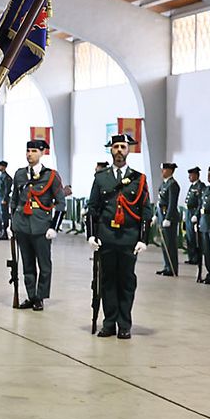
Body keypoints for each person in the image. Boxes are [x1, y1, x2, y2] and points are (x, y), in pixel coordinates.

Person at [87, 133, 150, 337]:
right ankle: (109, 323)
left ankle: (124, 325)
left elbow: (145, 210)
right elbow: (93, 208)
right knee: (107, 281)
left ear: (128, 150)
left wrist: (143, 238)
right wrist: (91, 235)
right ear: (111, 150)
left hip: (128, 238)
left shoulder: (139, 179)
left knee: (126, 282)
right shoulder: (101, 177)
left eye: (123, 147)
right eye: (116, 147)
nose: (119, 151)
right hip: (107, 237)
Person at [9, 138, 64, 310]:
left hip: (41, 226)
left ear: (42, 153)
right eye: (28, 151)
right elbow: (14, 200)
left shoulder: (51, 176)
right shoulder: (19, 174)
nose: (30, 154)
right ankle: (31, 296)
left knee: (44, 265)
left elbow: (61, 203)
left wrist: (54, 227)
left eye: (34, 151)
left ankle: (40, 297)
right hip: (22, 225)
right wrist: (10, 224)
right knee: (27, 263)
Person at [155, 161, 180, 277]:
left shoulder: (172, 185)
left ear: (170, 171)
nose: (162, 171)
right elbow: (160, 201)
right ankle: (167, 266)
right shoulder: (164, 184)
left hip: (169, 218)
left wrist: (168, 218)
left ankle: (172, 267)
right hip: (162, 216)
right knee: (164, 244)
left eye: (164, 169)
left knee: (170, 244)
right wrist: (156, 214)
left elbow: (172, 203)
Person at [183, 166, 203, 267]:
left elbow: (200, 203)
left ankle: (196, 258)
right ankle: (191, 257)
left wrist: (196, 215)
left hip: (194, 212)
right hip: (188, 212)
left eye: (191, 175)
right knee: (189, 237)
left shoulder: (200, 186)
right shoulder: (192, 186)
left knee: (194, 238)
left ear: (196, 175)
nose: (189, 177)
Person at [0, 160, 13, 237]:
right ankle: (1, 231)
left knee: (3, 215)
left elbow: (7, 189)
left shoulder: (6, 177)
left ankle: (4, 232)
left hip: (2, 198)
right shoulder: (1, 176)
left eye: (0, 166)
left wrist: (4, 199)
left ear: (4, 167)